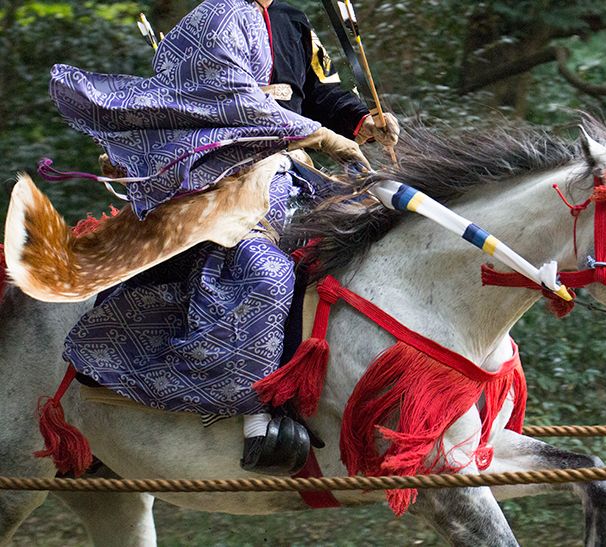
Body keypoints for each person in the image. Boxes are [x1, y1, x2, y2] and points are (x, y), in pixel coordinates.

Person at [50, 0, 399, 475]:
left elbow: (321, 92)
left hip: (292, 169)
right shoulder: (213, 18)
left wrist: (361, 121)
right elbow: (236, 101)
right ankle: (254, 407)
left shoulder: (293, 21)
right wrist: (318, 135)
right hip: (224, 168)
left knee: (372, 232)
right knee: (261, 267)